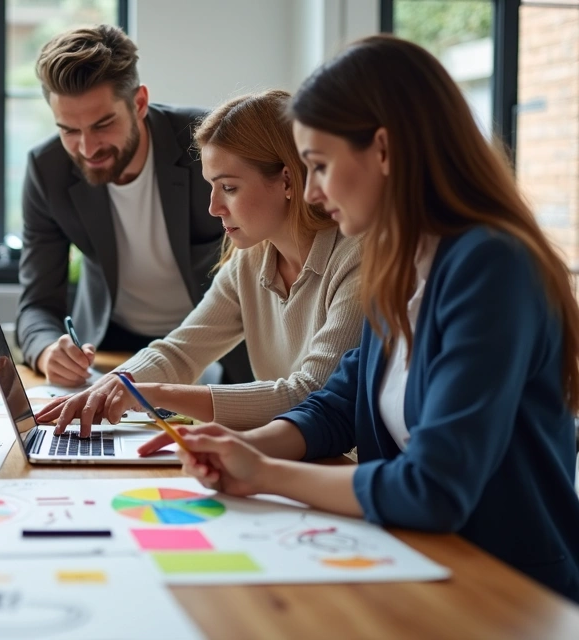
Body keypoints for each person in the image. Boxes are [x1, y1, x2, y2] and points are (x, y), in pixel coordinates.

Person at [166, 35, 579, 603]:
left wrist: (264, 473)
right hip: (420, 561)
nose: (310, 191)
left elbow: (435, 485)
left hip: (505, 588)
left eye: (319, 166)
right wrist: (252, 447)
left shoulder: (491, 265)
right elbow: (339, 403)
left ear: (383, 150)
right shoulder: (405, 257)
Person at [37, 90, 363, 437]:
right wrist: (115, 384)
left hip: (347, 469)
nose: (214, 207)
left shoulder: (355, 258)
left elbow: (311, 393)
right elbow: (180, 351)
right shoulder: (250, 259)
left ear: (286, 179)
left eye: (229, 187)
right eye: (211, 186)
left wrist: (155, 394)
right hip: (294, 457)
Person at [16, 24, 252, 388]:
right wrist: (48, 351)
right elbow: (37, 304)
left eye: (103, 124)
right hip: (109, 345)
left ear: (139, 103)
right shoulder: (48, 170)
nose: (88, 148)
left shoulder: (209, 144)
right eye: (69, 130)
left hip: (216, 345)